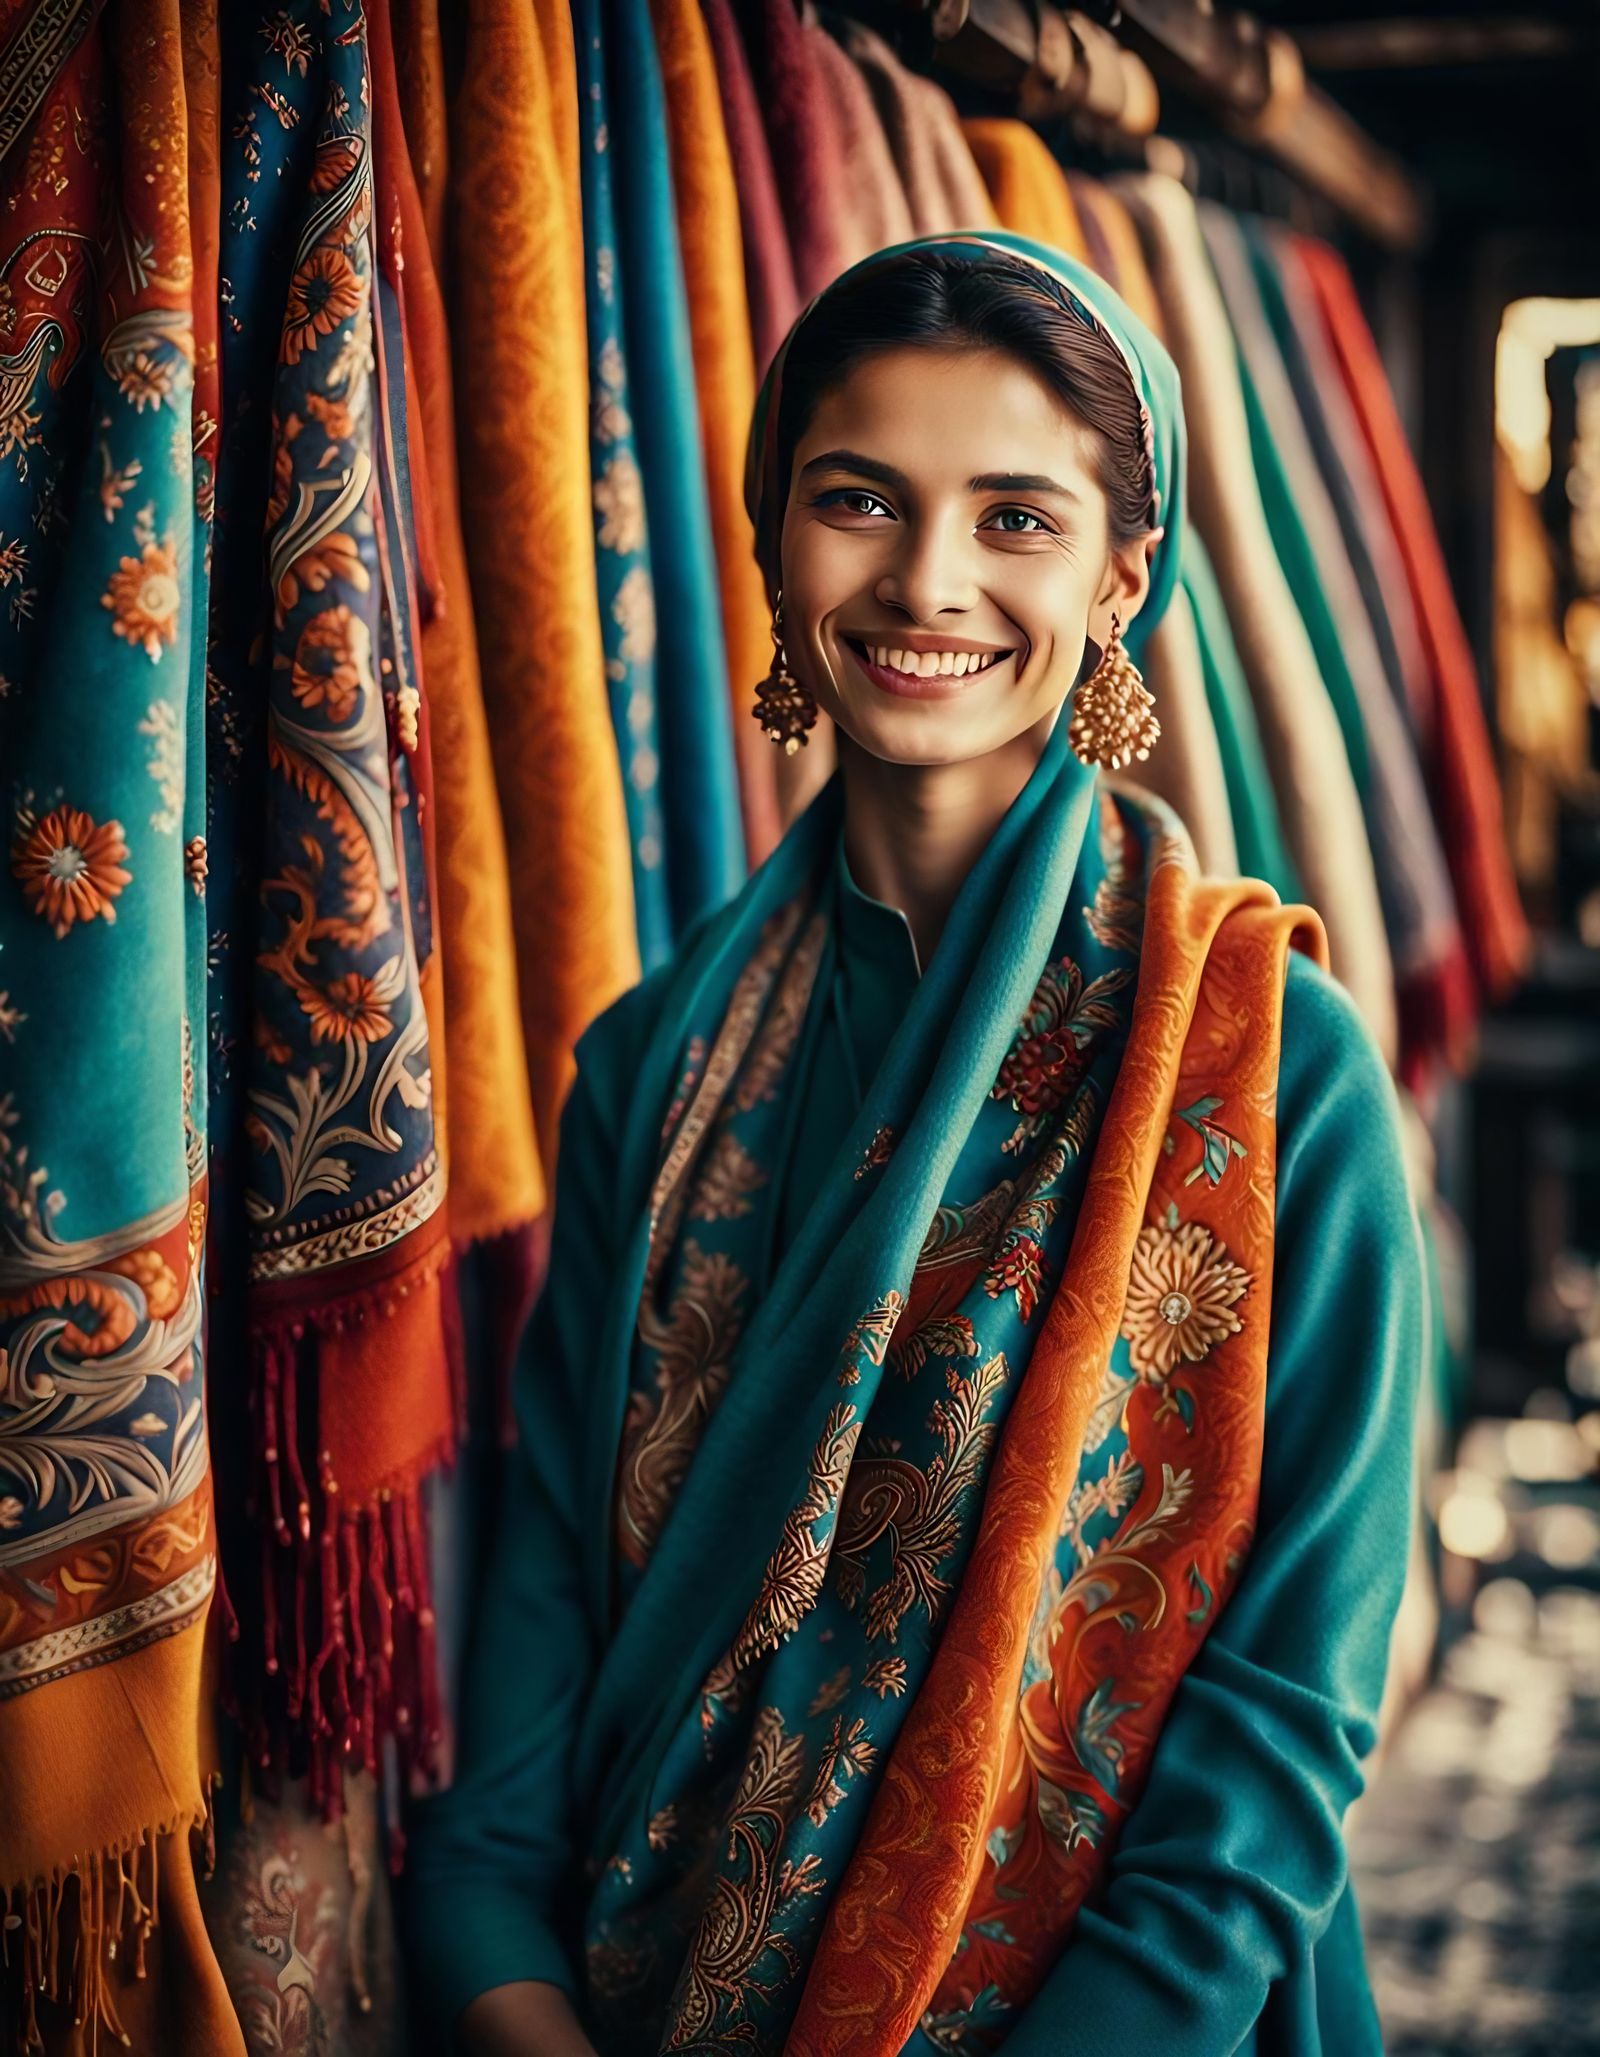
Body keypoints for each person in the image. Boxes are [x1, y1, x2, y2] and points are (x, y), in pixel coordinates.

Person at [405, 232, 1423, 2057]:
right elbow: (521, 1755)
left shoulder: (1277, 1073)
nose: (928, 579)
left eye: (1016, 517)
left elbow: (1268, 1760)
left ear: (1128, 575)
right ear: (772, 536)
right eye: (859, 498)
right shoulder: (654, 1073)